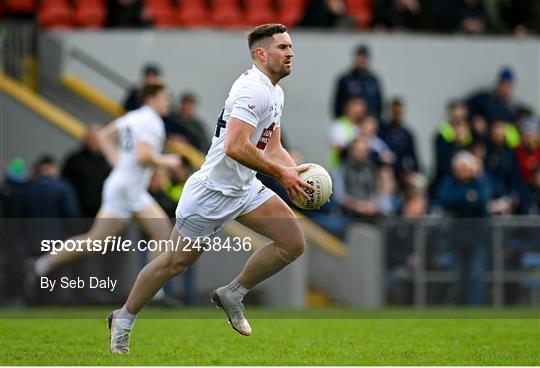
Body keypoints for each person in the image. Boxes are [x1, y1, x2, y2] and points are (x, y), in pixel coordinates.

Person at [107, 23, 315, 354]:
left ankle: (233, 292)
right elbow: (234, 146)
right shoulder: (253, 90)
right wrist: (281, 174)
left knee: (292, 243)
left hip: (245, 188)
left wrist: (294, 174)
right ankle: (124, 317)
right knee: (173, 263)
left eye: (291, 46)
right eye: (282, 47)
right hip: (213, 193)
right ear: (261, 54)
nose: (290, 53)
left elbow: (271, 146)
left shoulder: (274, 91)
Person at [33, 83, 180, 279]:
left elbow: (103, 137)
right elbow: (142, 155)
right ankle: (152, 289)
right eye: (164, 97)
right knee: (160, 230)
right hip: (128, 189)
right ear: (152, 98)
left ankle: (41, 265)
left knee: (96, 241)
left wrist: (118, 163)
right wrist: (168, 160)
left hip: (125, 185)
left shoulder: (133, 116)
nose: (168, 102)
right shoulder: (153, 122)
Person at [61, 125, 111, 218]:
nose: (93, 141)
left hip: (104, 212)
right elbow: (65, 184)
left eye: (96, 138)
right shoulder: (74, 160)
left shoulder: (110, 160)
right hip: (80, 213)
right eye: (90, 138)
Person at [333, 44, 383, 119]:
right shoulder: (345, 80)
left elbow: (379, 106)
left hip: (368, 126)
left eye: (363, 57)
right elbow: (337, 105)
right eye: (359, 56)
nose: (360, 60)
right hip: (350, 124)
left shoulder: (374, 81)